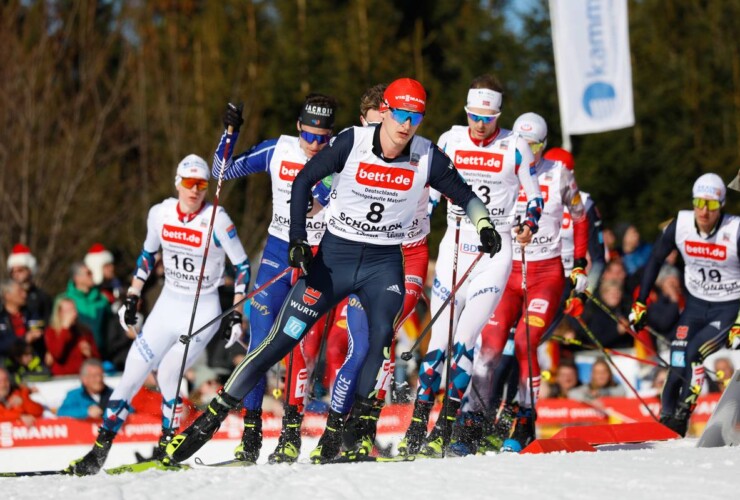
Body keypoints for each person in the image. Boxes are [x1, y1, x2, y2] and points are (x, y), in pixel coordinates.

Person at [162, 77, 501, 467]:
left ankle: (350, 435)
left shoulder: (427, 156)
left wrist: (485, 225)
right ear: (386, 112)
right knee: (280, 341)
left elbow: (467, 196)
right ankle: (211, 420)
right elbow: (304, 180)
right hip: (334, 260)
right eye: (401, 114)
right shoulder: (351, 141)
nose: (406, 125)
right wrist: (297, 240)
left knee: (377, 344)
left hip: (382, 266)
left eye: (416, 116)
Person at [65, 154, 250, 475]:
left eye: (202, 185)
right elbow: (147, 256)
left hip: (201, 307)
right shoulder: (160, 214)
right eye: (189, 184)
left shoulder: (217, 219)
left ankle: (166, 445)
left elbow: (243, 265)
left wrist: (235, 311)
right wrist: (133, 295)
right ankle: (98, 452)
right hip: (167, 304)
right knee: (133, 371)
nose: (195, 191)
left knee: (169, 372)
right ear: (177, 183)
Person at [398, 79, 543, 458]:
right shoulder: (449, 140)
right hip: (454, 248)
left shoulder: (515, 147)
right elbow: (427, 194)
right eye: (476, 116)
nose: (481, 124)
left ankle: (446, 429)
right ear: (467, 113)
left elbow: (533, 195)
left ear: (499, 115)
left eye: (489, 117)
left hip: (494, 254)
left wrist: (529, 223)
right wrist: (413, 233)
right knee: (438, 346)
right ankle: (416, 426)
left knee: (464, 343)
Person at [445, 112, 589, 456]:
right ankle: (473, 420)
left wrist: (580, 263)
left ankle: (524, 420)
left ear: (545, 144)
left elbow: (581, 217)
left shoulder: (558, 175)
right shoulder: (505, 162)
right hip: (507, 272)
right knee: (490, 345)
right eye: (524, 144)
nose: (530, 152)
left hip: (545, 276)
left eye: (536, 145)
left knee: (525, 342)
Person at [310, 83, 433, 463]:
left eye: (401, 120)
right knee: (360, 349)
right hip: (368, 256)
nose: (397, 131)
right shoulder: (355, 152)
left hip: (408, 257)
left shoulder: (418, 152)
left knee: (384, 338)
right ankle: (335, 431)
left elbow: (454, 185)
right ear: (366, 122)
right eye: (379, 122)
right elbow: (316, 196)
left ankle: (363, 430)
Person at [213, 94, 336, 464]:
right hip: (278, 253)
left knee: (299, 348)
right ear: (298, 127)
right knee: (259, 345)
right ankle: (250, 437)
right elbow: (222, 170)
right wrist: (231, 132)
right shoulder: (278, 150)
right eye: (309, 136)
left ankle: (290, 435)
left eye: (322, 138)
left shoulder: (338, 160)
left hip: (316, 257)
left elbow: (315, 203)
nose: (315, 145)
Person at [629, 173, 740, 436]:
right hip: (696, 306)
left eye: (711, 205)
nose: (704, 211)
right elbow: (655, 260)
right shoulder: (680, 224)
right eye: (699, 203)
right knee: (677, 357)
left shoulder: (734, 230)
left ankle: (682, 415)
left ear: (721, 205)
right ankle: (666, 418)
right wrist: (640, 302)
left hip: (728, 307)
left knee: (694, 353)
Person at [59, 263, 110, 360]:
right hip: (77, 358)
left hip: (103, 356)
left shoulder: (102, 300)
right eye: (88, 273)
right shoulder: (65, 301)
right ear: (77, 278)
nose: (92, 276)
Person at [45, 297, 101, 376]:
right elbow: (57, 354)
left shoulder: (84, 331)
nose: (73, 314)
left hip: (82, 377)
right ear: (59, 313)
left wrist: (90, 353)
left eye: (73, 310)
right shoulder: (51, 331)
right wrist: (65, 328)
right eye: (68, 311)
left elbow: (97, 359)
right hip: (60, 379)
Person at [6, 243, 53, 327]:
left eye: (20, 270)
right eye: (13, 271)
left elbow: (48, 322)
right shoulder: (6, 297)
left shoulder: (42, 297)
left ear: (30, 270)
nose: (16, 274)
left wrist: (32, 327)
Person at [0, 279, 45, 362]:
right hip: (7, 365)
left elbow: (39, 333)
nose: (25, 295)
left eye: (24, 291)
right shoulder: (2, 318)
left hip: (34, 361)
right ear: (7, 295)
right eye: (20, 292)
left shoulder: (31, 313)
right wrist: (23, 340)